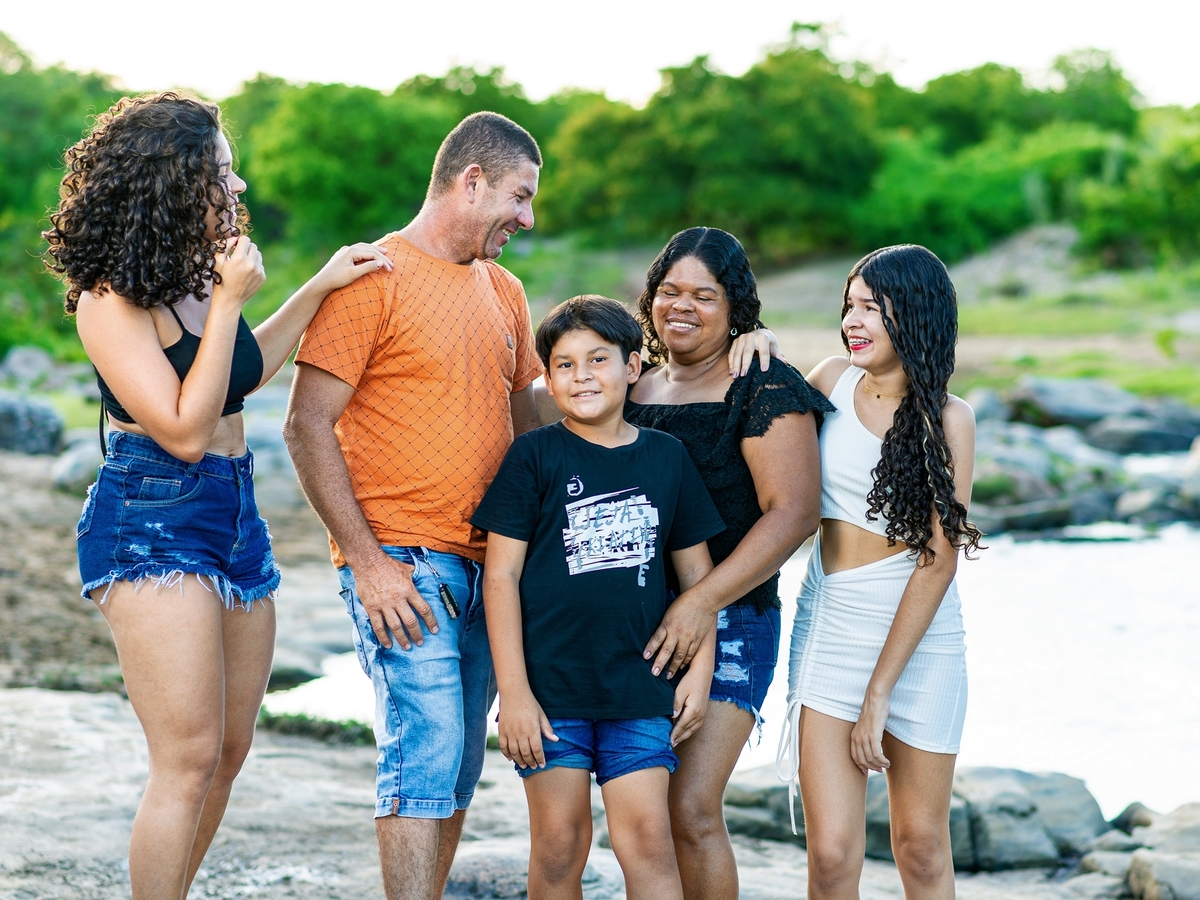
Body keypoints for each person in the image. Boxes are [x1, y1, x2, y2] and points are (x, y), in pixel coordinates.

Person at [42, 91, 393, 899]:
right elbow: (185, 429)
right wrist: (231, 298)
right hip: (150, 519)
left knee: (229, 751)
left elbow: (239, 375)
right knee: (188, 756)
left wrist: (317, 287)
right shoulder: (109, 300)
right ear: (173, 184)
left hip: (234, 514)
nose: (236, 190)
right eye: (221, 176)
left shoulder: (197, 276)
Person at [282, 111, 543, 900]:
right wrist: (367, 562)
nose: (527, 219)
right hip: (404, 563)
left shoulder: (506, 290)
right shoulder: (373, 276)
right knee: (424, 748)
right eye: (519, 197)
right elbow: (304, 424)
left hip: (489, 569)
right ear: (471, 182)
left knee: (459, 760)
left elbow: (530, 428)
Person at [473, 295, 726, 900]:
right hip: (550, 693)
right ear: (547, 377)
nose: (582, 376)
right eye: (564, 365)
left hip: (640, 688)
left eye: (598, 359)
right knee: (559, 846)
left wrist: (700, 675)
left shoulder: (667, 457)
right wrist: (514, 694)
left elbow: (700, 582)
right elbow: (500, 576)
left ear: (633, 366)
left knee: (647, 840)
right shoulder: (534, 455)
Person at [617, 226, 831, 900]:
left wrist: (701, 600)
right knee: (644, 815)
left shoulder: (761, 387)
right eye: (669, 292)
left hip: (733, 622)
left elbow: (794, 513)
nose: (681, 306)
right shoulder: (630, 386)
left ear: (735, 307)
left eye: (703, 296)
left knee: (691, 807)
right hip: (633, 629)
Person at [776, 244, 984, 899]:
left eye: (872, 306)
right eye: (849, 305)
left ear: (915, 315)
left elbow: (937, 559)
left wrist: (880, 692)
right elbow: (763, 467)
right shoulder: (829, 381)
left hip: (923, 640)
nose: (853, 321)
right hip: (832, 624)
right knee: (833, 857)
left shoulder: (950, 419)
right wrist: (754, 347)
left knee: (920, 849)